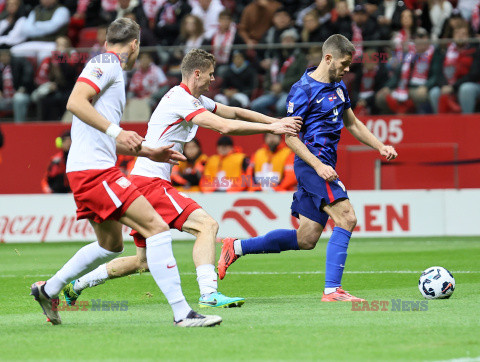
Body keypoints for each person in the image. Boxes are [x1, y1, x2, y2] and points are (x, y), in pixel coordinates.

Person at [61, 48, 302, 309]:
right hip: (150, 183)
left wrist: (276, 120)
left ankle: (77, 285)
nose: (213, 80)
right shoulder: (181, 99)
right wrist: (270, 128)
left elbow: (233, 112)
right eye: (210, 74)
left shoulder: (191, 98)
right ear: (196, 73)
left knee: (143, 261)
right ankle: (209, 293)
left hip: (142, 180)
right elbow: (225, 126)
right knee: (206, 226)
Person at [30, 18, 222, 328]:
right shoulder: (107, 62)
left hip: (87, 169)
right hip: (95, 172)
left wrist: (149, 151)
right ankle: (183, 313)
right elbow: (75, 101)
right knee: (157, 228)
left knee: (111, 245)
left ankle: (48, 289)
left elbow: (103, 133)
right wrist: (117, 130)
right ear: (135, 45)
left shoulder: (108, 69)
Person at [218, 34, 398, 302]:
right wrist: (318, 165)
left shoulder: (339, 87)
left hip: (322, 165)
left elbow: (353, 123)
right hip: (312, 164)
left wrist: (379, 146)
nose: (348, 69)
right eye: (345, 63)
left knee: (307, 238)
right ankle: (332, 290)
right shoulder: (303, 90)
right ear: (328, 58)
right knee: (347, 218)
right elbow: (290, 137)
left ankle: (237, 246)